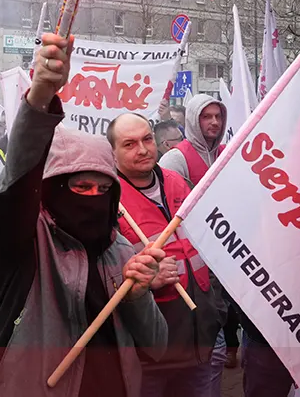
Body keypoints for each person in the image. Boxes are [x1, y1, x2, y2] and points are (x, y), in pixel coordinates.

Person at [0, 33, 168, 396]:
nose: (93, 199)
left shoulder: (122, 251)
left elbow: (157, 345)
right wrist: (41, 98)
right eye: (81, 188)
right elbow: (16, 183)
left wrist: (137, 294)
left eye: (103, 189)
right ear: (52, 190)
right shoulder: (26, 242)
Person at [108, 113, 225, 396]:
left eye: (147, 139)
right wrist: (142, 280)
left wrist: (216, 310)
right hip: (150, 351)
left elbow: (206, 242)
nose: (143, 149)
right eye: (130, 144)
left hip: (200, 337)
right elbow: (100, 272)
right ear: (112, 152)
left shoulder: (176, 182)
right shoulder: (108, 198)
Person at [158, 95, 226, 187]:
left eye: (218, 116)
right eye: (207, 117)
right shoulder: (175, 159)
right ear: (193, 120)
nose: (215, 122)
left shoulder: (228, 154)